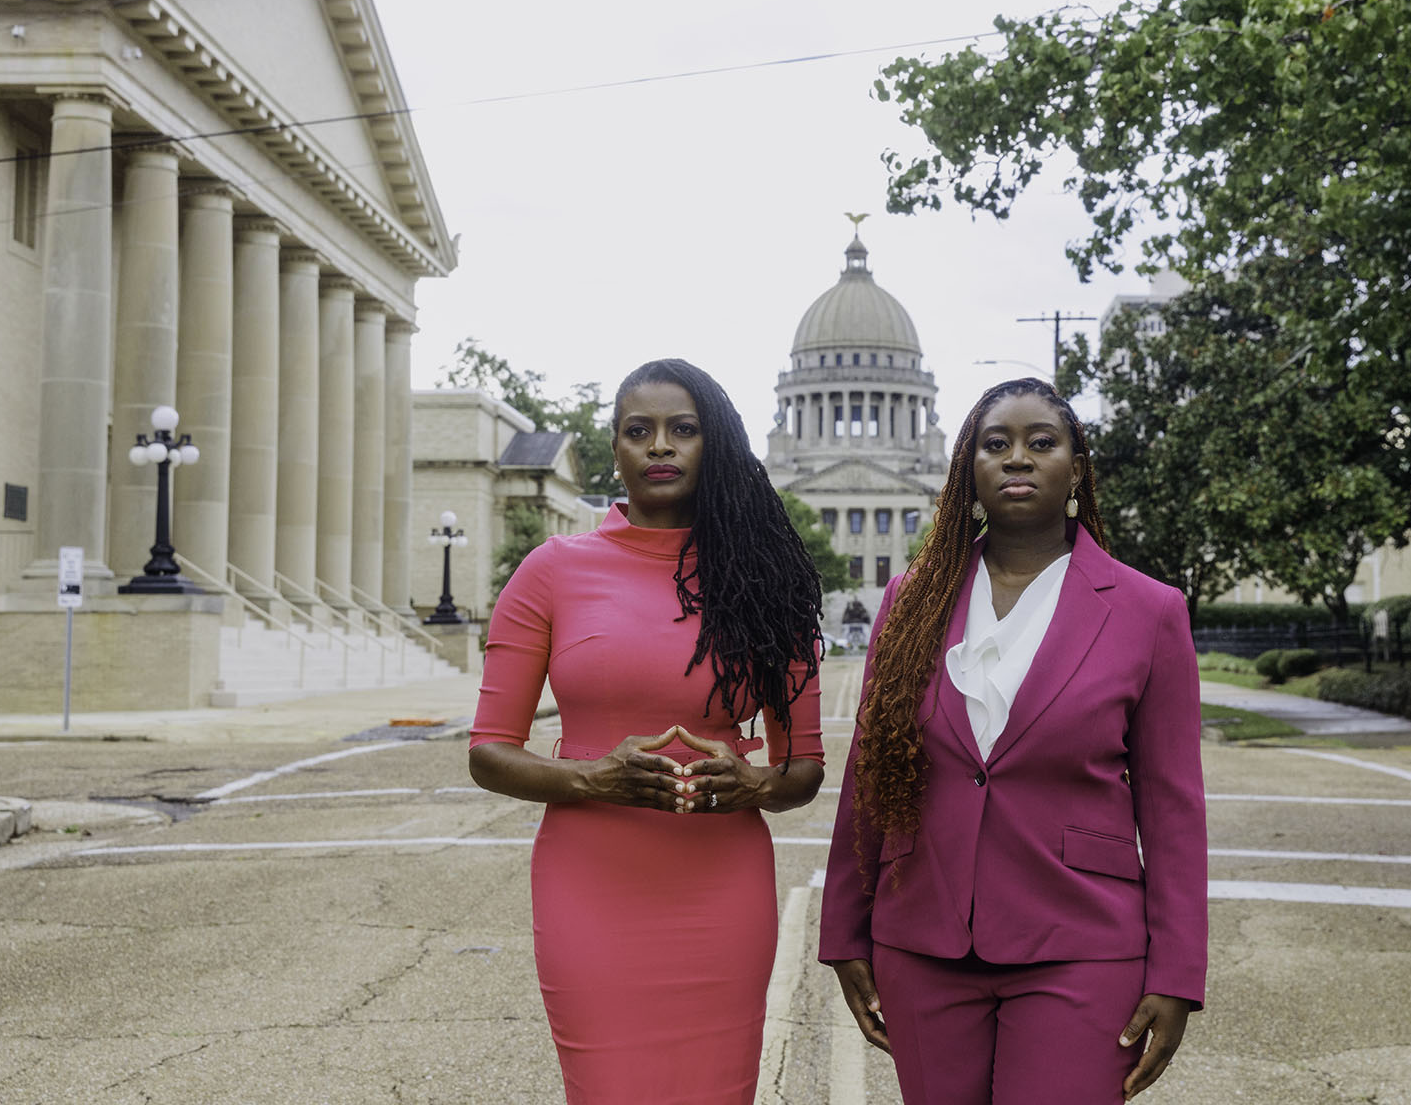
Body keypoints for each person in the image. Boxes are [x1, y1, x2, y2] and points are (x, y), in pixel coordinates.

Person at [819, 378, 1207, 1104]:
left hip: (1082, 941)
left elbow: (1174, 808)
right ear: (969, 469)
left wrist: (1178, 974)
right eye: (996, 444)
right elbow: (869, 774)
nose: (1017, 458)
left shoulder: (1149, 611)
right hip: (923, 938)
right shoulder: (912, 600)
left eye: (1041, 442)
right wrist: (844, 930)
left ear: (1077, 468)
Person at [469, 358, 826, 1105]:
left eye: (682, 430)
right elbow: (488, 752)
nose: (660, 446)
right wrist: (588, 778)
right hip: (590, 881)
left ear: (713, 445)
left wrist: (752, 783)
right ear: (617, 450)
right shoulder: (552, 571)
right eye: (640, 431)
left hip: (720, 887)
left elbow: (803, 773)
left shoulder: (766, 580)